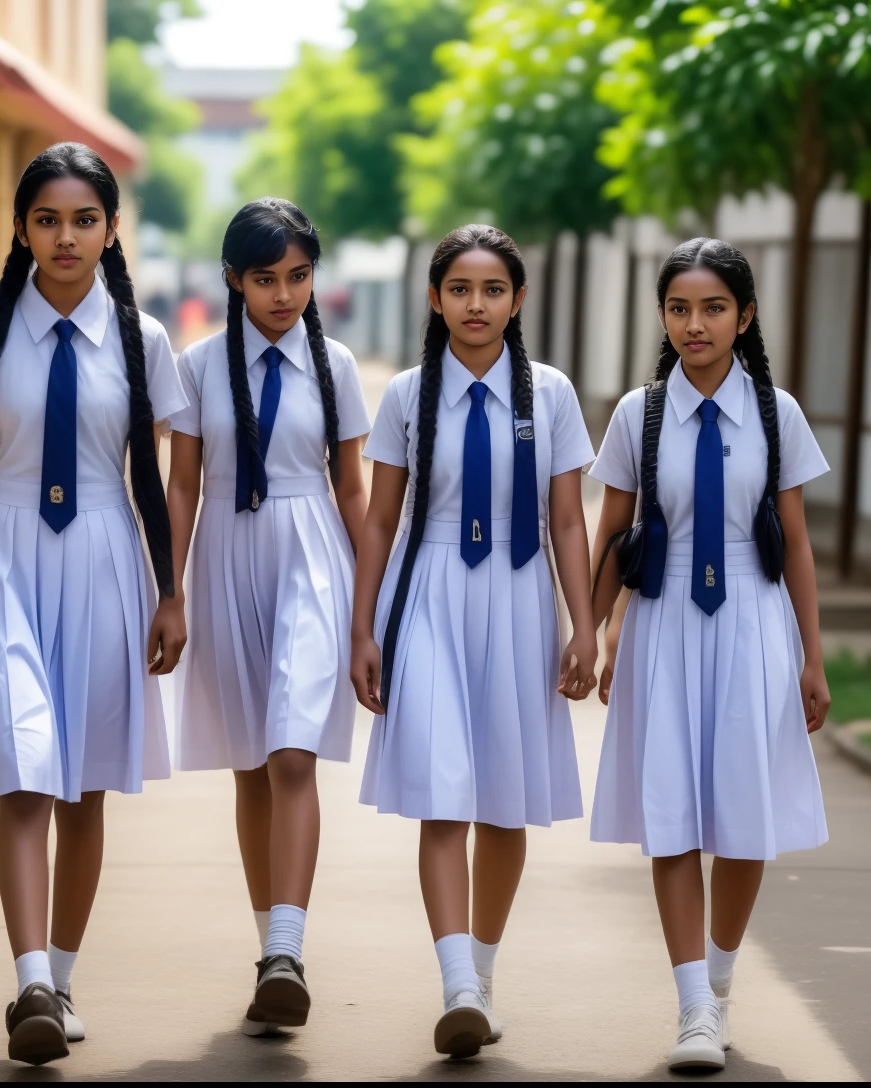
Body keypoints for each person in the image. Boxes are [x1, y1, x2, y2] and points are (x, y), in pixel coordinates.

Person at [0, 143, 187, 1066]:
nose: (66, 238)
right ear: (21, 229)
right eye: (48, 220)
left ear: (111, 229)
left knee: (84, 783)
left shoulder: (144, 343)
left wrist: (170, 591)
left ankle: (62, 976)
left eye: (85, 220)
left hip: (105, 558)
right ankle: (28, 981)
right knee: (25, 770)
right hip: (4, 560)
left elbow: (152, 477)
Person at [350, 224, 598, 1059]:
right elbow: (381, 518)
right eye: (460, 289)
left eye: (494, 290)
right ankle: (455, 980)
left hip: (522, 597)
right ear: (435, 298)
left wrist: (585, 623)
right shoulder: (406, 396)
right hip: (433, 596)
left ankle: (482, 974)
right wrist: (365, 624)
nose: (477, 304)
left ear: (518, 300)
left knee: (505, 796)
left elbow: (566, 518)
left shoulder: (553, 395)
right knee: (445, 790)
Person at [588, 237, 831, 1072]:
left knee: (742, 819)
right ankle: (693, 1006)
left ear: (745, 316)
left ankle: (720, 982)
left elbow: (795, 544)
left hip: (754, 623)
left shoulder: (776, 413)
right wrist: (594, 631)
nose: (696, 324)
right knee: (673, 816)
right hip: (664, 622)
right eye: (681, 308)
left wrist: (812, 657)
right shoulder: (637, 414)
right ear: (663, 316)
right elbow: (613, 536)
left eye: (714, 308)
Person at [159, 198, 371, 1034]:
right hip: (224, 555)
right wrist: (169, 592)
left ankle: (290, 944)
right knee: (250, 761)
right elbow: (182, 484)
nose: (284, 295)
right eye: (265, 279)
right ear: (233, 280)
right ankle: (268, 951)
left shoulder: (338, 364)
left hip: (313, 551)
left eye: (299, 276)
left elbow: (352, 487)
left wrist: (372, 600)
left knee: (291, 750)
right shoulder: (201, 365)